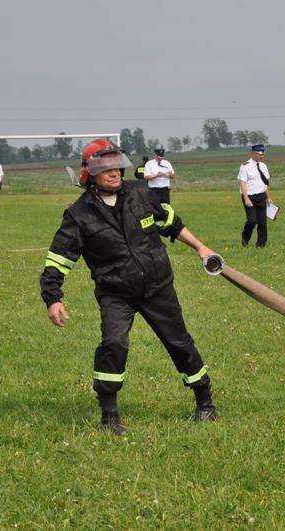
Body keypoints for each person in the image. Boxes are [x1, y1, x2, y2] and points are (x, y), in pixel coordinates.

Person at [40, 138, 218, 435]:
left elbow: (171, 223)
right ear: (89, 174)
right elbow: (58, 260)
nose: (114, 173)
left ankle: (205, 403)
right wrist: (53, 298)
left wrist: (201, 248)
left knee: (179, 342)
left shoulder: (140, 194)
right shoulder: (78, 215)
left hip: (157, 286)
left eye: (117, 166)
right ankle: (109, 417)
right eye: (106, 168)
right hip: (116, 293)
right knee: (114, 344)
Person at [237, 144, 274, 248]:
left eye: (262, 155)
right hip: (250, 197)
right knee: (252, 221)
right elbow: (243, 183)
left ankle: (261, 244)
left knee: (262, 222)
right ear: (253, 154)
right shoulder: (245, 166)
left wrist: (268, 197)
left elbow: (265, 183)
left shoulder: (263, 166)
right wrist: (246, 199)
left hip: (261, 196)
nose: (261, 156)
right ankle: (245, 238)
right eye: (259, 154)